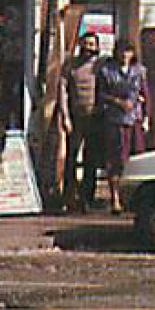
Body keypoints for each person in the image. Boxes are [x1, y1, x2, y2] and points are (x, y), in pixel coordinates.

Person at [95, 38, 148, 214]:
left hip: (135, 120)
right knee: (115, 160)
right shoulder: (106, 71)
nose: (124, 55)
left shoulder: (139, 71)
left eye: (128, 51)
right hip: (115, 120)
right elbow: (100, 95)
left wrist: (145, 115)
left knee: (137, 159)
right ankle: (115, 198)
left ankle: (136, 200)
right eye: (121, 51)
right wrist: (117, 101)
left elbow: (144, 93)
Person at [59, 31, 101, 212]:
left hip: (95, 117)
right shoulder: (70, 66)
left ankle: (87, 197)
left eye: (92, 45)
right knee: (71, 157)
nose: (88, 48)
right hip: (75, 117)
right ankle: (69, 195)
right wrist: (65, 116)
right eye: (86, 44)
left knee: (91, 158)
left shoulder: (100, 66)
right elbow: (62, 91)